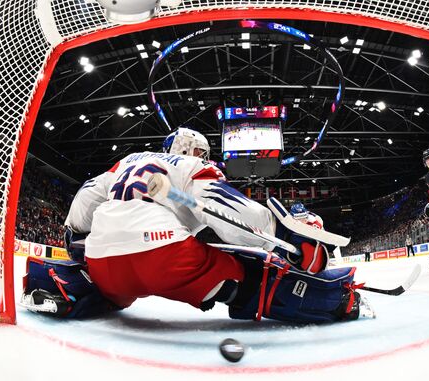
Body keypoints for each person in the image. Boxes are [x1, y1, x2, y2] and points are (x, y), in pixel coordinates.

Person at [21, 128, 366, 323]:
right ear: (196, 151)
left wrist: (77, 237)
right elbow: (224, 209)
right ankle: (335, 302)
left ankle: (69, 288)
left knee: (112, 277)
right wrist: (281, 236)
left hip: (103, 263)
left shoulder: (128, 161)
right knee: (249, 272)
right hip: (165, 257)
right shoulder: (191, 167)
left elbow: (85, 198)